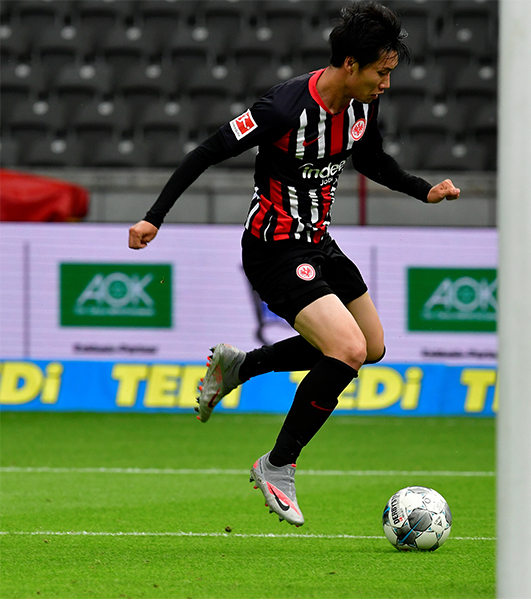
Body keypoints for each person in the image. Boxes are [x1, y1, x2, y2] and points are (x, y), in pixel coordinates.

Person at [127, 1, 460, 528]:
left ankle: (241, 366)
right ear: (350, 63)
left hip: (320, 242)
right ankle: (277, 465)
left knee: (370, 347)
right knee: (346, 349)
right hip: (273, 248)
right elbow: (205, 152)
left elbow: (370, 158)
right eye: (381, 72)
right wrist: (153, 219)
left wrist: (424, 190)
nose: (386, 84)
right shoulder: (281, 109)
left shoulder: (360, 105)